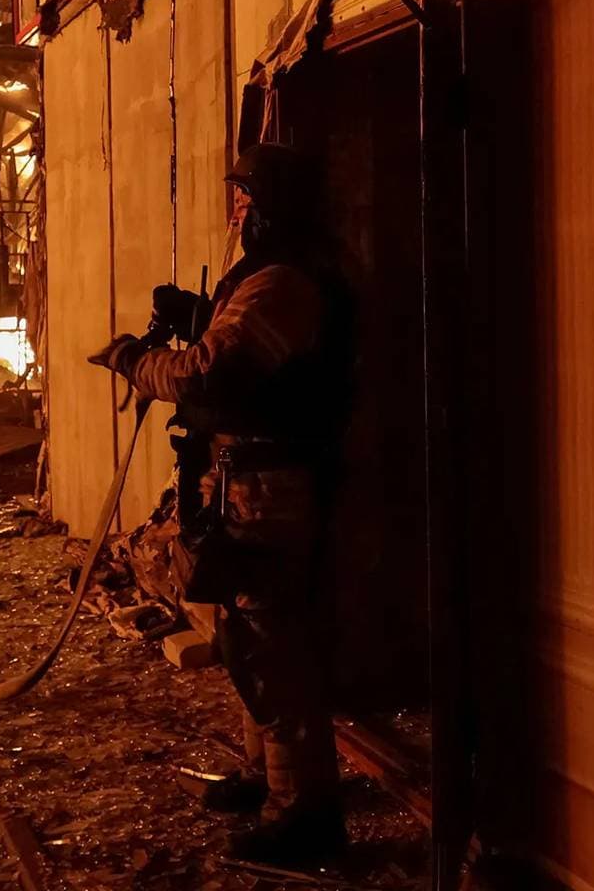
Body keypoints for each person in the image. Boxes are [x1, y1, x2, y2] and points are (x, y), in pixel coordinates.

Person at [88, 143, 353, 866]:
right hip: (244, 481)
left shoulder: (287, 283)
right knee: (245, 632)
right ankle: (267, 775)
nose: (236, 210)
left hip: (271, 489)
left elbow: (218, 371)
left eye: (246, 198)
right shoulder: (270, 277)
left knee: (271, 645)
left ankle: (309, 814)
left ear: (275, 205)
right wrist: (200, 310)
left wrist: (136, 365)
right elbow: (237, 342)